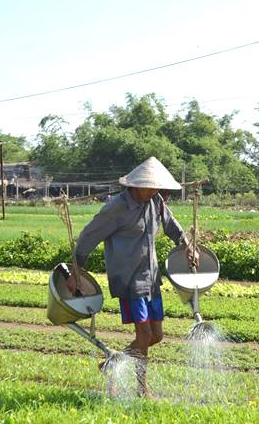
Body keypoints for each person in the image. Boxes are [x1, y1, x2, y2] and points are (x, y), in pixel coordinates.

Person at [66, 156, 197, 397]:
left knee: (156, 336)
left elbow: (173, 227)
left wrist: (187, 244)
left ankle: (112, 363)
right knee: (144, 335)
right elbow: (87, 237)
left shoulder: (155, 202)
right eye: (152, 186)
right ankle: (141, 390)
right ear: (137, 185)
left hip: (152, 279)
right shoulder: (116, 208)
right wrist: (76, 270)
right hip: (130, 281)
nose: (157, 190)